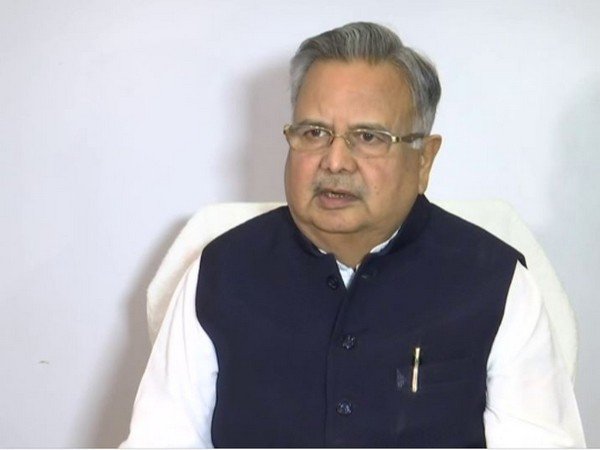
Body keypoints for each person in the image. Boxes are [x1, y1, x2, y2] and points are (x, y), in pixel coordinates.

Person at [121, 22, 585, 447]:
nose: (335, 161)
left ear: (424, 159)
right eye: (314, 132)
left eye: (369, 137)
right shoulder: (221, 272)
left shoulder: (495, 282)